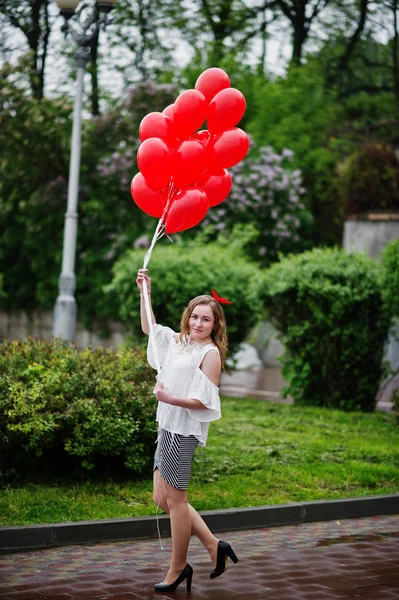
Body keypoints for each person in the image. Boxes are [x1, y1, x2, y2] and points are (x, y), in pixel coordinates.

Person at [136, 268, 238, 593]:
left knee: (176, 501)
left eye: (205, 320)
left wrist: (170, 398)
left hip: (183, 432)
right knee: (160, 497)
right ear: (188, 317)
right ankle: (213, 544)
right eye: (195, 317)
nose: (198, 323)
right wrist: (145, 291)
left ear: (215, 325)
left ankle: (178, 567)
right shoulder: (179, 341)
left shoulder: (209, 354)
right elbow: (149, 329)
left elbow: (203, 401)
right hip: (166, 426)